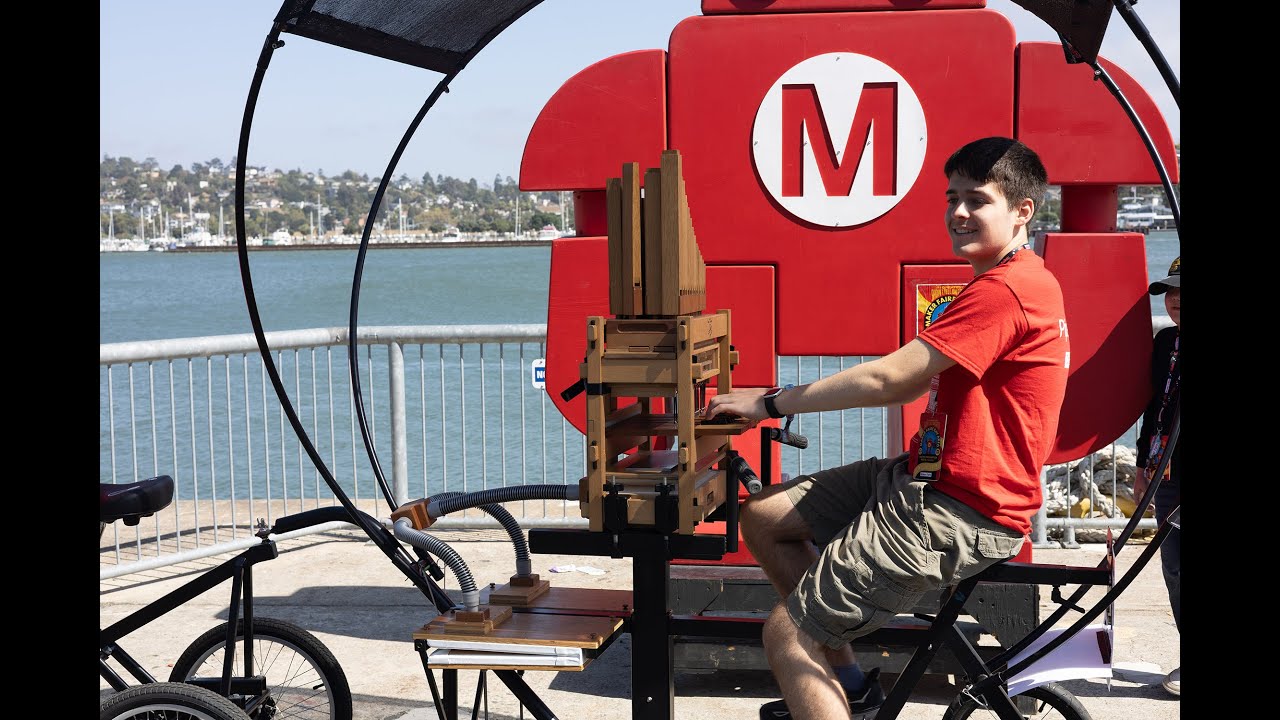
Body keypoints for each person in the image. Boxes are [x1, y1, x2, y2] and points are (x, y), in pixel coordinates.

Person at [704, 136, 1070, 720]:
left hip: (963, 509)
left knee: (787, 636)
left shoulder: (1007, 289)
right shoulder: (1008, 280)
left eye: (977, 200)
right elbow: (904, 384)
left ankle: (823, 660)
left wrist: (769, 404)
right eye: (951, 198)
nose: (958, 212)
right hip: (926, 478)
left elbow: (890, 379)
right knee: (765, 516)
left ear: (1023, 211)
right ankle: (851, 687)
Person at [1133, 256, 1180, 698]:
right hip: (1165, 472)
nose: (1175, 300)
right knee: (1174, 566)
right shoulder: (1165, 340)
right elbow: (1154, 404)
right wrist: (1140, 465)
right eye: (1171, 292)